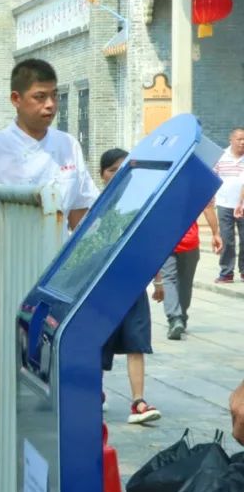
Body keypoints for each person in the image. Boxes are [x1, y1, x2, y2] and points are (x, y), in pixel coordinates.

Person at [0, 59, 98, 232]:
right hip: (9, 247)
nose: (50, 105)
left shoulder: (68, 145)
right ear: (16, 99)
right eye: (40, 97)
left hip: (59, 247)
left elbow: (80, 211)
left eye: (54, 95)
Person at [98, 148, 161, 425]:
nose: (119, 174)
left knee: (136, 342)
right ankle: (94, 392)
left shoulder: (141, 204)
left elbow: (151, 244)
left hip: (133, 285)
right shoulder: (94, 204)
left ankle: (138, 401)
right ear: (102, 174)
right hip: (100, 287)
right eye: (113, 170)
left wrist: (158, 280)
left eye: (124, 169)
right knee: (97, 344)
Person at [154, 201, 221, 340]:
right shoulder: (195, 188)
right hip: (189, 241)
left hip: (166, 239)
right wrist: (215, 233)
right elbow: (208, 208)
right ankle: (181, 318)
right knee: (185, 283)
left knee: (168, 279)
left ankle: (175, 318)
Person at [213, 127, 244, 283]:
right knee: (227, 239)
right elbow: (213, 178)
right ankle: (226, 272)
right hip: (224, 204)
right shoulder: (221, 156)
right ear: (230, 139)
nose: (242, 142)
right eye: (239, 139)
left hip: (243, 206)